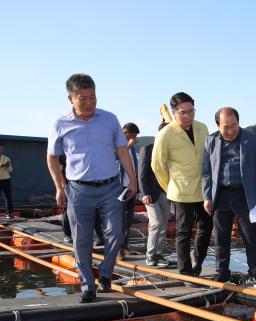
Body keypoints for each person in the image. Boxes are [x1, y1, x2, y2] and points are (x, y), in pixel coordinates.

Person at [47, 73, 137, 303]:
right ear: (70, 99)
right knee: (82, 240)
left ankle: (106, 273)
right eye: (82, 98)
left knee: (116, 232)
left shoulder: (109, 119)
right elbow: (52, 157)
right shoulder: (60, 123)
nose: (89, 102)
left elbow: (122, 151)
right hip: (78, 191)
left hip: (110, 187)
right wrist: (59, 186)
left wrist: (133, 180)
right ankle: (88, 286)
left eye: (93, 97)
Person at [202, 107, 256, 287]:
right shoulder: (210, 141)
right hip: (220, 195)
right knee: (220, 238)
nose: (230, 131)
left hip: (245, 195)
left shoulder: (253, 139)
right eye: (226, 127)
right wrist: (207, 196)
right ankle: (221, 273)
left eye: (234, 126)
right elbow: (206, 172)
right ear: (217, 125)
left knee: (250, 237)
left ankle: (255, 273)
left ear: (239, 123)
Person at [151, 92, 212, 277]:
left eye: (191, 111)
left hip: (203, 188)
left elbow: (209, 157)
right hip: (180, 190)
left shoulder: (203, 128)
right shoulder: (166, 134)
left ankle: (197, 259)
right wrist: (168, 186)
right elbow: (157, 165)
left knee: (206, 227)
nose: (188, 116)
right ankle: (185, 272)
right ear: (173, 112)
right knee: (183, 232)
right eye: (183, 112)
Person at [138, 121, 173, 267]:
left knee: (164, 223)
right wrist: (144, 193)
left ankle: (158, 254)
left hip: (166, 192)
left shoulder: (172, 151)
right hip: (150, 193)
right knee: (156, 223)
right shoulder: (148, 149)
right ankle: (150, 256)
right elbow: (142, 174)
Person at [118, 122, 140, 260]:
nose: (134, 139)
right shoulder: (116, 143)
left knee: (128, 219)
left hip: (131, 187)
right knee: (119, 219)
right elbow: (116, 156)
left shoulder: (131, 148)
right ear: (125, 133)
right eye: (131, 136)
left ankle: (125, 246)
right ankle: (118, 249)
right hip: (119, 187)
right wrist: (129, 144)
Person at [0, 143, 14, 218]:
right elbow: (1, 165)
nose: (1, 150)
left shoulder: (6, 158)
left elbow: (10, 170)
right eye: (0, 148)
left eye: (2, 149)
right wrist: (2, 165)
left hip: (6, 179)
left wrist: (8, 166)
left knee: (8, 197)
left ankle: (9, 213)